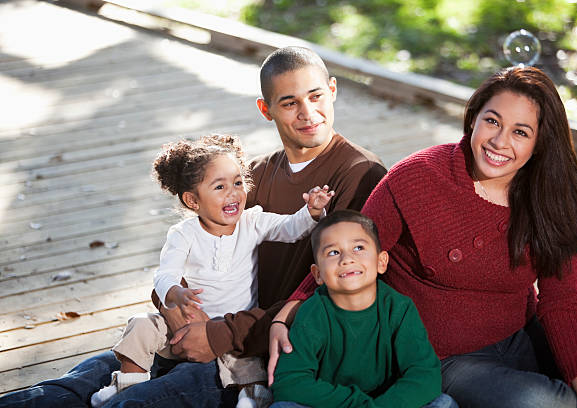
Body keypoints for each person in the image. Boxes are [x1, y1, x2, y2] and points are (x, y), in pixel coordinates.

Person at [0, 46, 386, 408]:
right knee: (71, 386)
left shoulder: (359, 175)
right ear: (266, 110)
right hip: (201, 328)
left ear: (333, 91)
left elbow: (339, 296)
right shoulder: (255, 173)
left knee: (129, 402)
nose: (307, 112)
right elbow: (196, 245)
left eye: (316, 96)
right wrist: (173, 303)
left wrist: (221, 335)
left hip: (258, 355)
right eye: (289, 102)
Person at [283, 66, 577, 408]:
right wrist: (289, 311)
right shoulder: (417, 177)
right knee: (549, 403)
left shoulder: (553, 195)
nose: (500, 141)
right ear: (473, 119)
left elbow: (562, 302)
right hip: (440, 358)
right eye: (493, 121)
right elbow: (350, 249)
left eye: (521, 132)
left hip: (522, 334)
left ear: (541, 141)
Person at [89, 134, 334, 408]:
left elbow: (291, 229)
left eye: (238, 183)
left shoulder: (252, 222)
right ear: (193, 201)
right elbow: (164, 273)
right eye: (220, 186)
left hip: (229, 325)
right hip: (182, 328)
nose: (233, 193)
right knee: (141, 324)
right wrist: (175, 292)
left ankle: (252, 394)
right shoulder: (183, 234)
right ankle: (128, 381)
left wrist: (311, 211)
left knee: (248, 353)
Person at [270, 210, 457, 408]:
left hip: (388, 403)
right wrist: (359, 404)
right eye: (333, 252)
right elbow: (289, 383)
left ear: (381, 262)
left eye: (358, 247)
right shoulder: (312, 313)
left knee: (444, 403)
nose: (347, 259)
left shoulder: (399, 309)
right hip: (331, 403)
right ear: (318, 275)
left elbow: (425, 375)